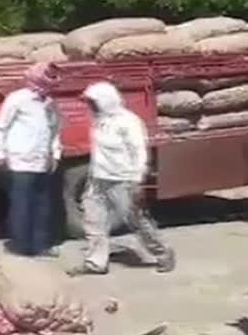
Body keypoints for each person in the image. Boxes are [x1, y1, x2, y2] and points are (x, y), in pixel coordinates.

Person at [68, 81, 175, 275]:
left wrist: (137, 180)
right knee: (94, 221)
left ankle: (162, 252)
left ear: (106, 101)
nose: (89, 106)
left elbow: (139, 152)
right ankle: (96, 262)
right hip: (98, 179)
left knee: (135, 220)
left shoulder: (128, 122)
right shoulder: (99, 120)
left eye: (93, 102)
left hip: (123, 180)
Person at [0, 62, 62, 256]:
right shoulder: (18, 99)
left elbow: (54, 130)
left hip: (41, 160)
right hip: (20, 160)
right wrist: (0, 154)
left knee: (42, 205)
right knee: (22, 204)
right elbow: (0, 127)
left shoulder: (50, 103)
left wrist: (55, 153)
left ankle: (41, 245)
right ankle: (22, 246)